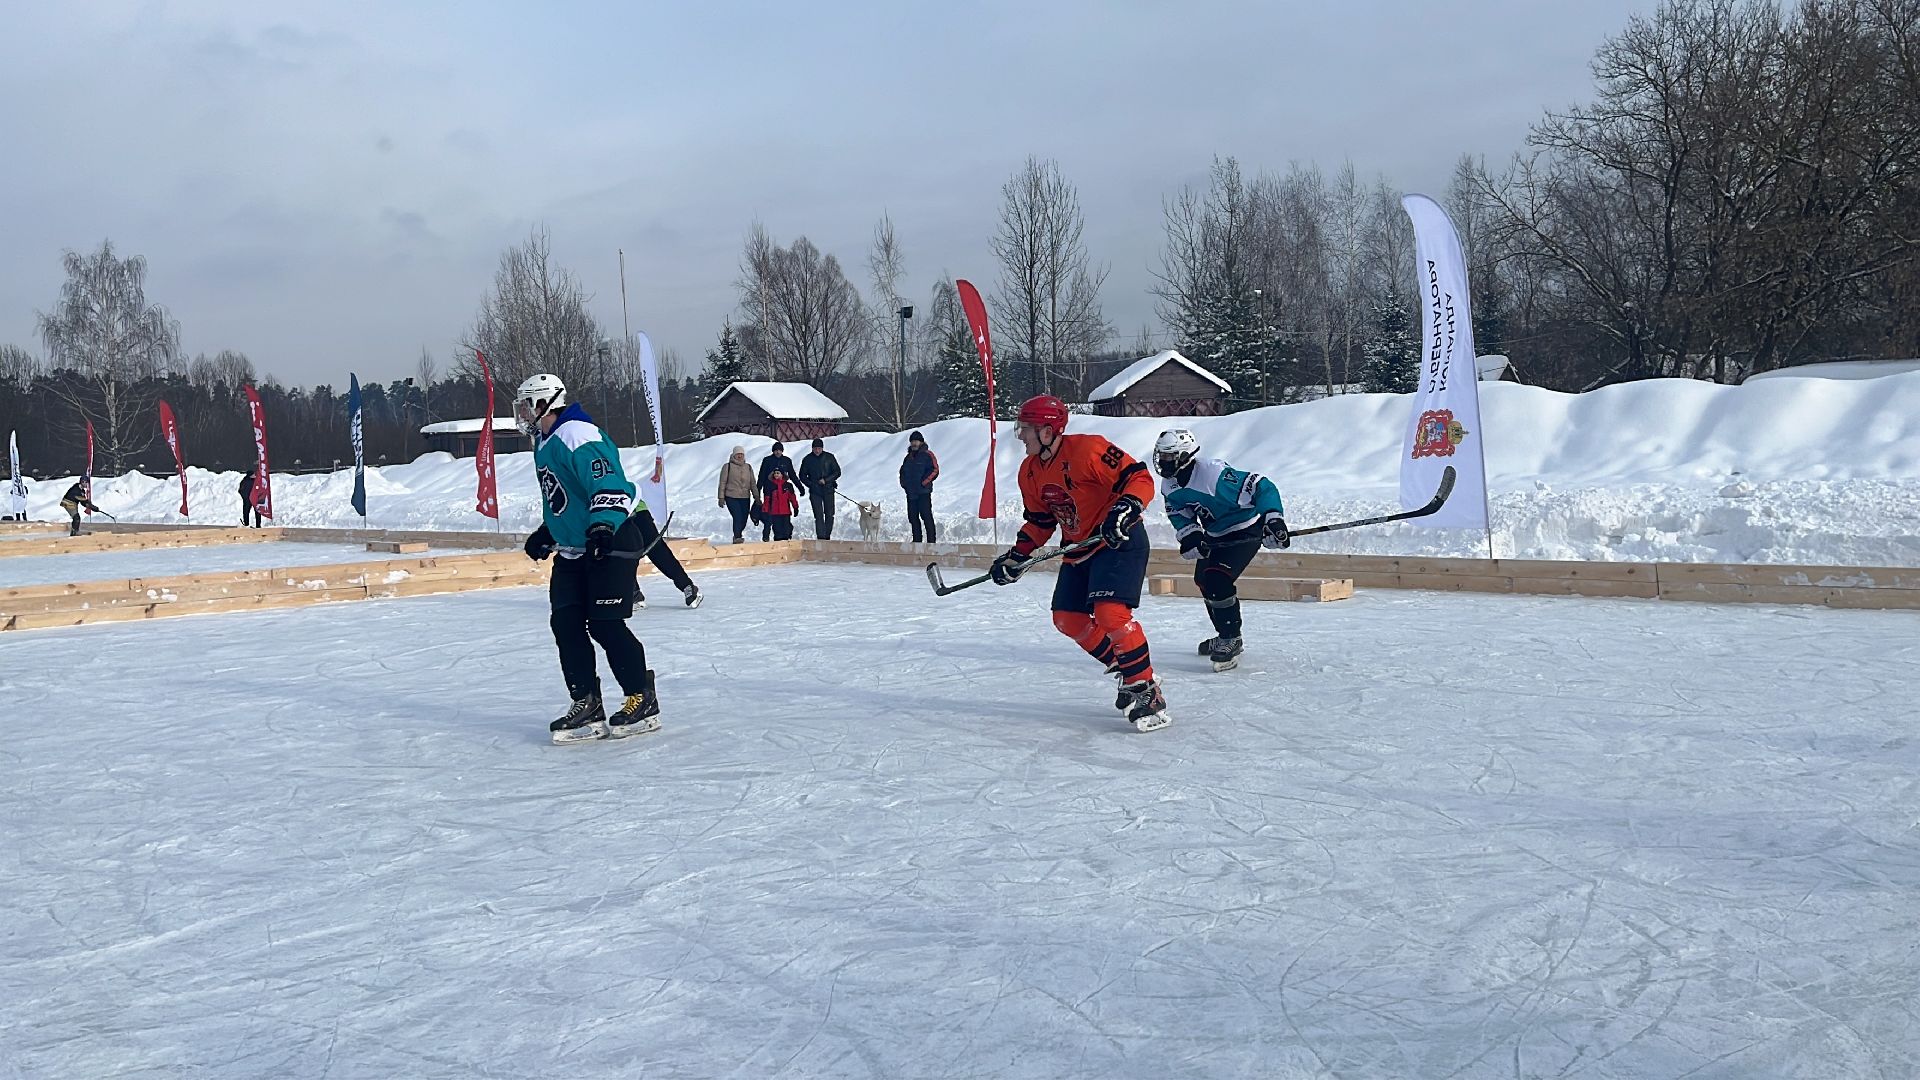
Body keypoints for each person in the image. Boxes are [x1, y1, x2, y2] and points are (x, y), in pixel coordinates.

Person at [988, 396, 1170, 732]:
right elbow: (1041, 522)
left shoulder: (1089, 450)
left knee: (1110, 614)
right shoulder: (1029, 472)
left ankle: (1146, 689)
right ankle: (1127, 667)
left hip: (1118, 540)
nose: (1020, 435)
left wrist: (1126, 507)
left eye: (1025, 429)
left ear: (1047, 431)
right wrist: (1017, 556)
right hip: (1079, 547)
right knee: (1067, 619)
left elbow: (1139, 477)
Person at [514, 372, 662, 745]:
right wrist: (550, 532)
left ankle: (641, 697)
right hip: (574, 549)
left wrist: (601, 526)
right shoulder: (545, 441)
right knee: (565, 623)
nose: (522, 414)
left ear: (544, 403)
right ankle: (587, 703)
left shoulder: (577, 434)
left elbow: (607, 484)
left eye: (526, 405)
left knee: (604, 624)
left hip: (610, 539)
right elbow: (566, 497)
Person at [1152, 428, 1290, 672]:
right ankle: (1225, 634)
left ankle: (1231, 637)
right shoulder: (1169, 484)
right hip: (1216, 533)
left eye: (1168, 457)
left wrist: (1273, 519)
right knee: (1203, 580)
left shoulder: (1213, 475)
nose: (1163, 462)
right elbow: (1178, 512)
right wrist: (1191, 535)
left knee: (1218, 579)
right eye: (1161, 456)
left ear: (1184, 456)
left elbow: (1261, 485)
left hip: (1245, 528)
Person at [898, 430, 939, 543]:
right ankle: (917, 541)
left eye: (916, 441)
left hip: (923, 492)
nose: (914, 443)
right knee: (913, 517)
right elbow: (902, 472)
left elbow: (935, 470)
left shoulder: (928, 455)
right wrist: (904, 484)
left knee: (926, 516)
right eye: (912, 441)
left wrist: (924, 482)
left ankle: (931, 542)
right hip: (911, 493)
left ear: (921, 442)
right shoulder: (908, 457)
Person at [757, 442, 804, 540]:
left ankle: (785, 536)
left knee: (783, 519)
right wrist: (757, 491)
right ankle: (766, 537)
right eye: (776, 450)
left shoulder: (786, 460)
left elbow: (792, 475)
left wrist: (800, 487)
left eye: (779, 450)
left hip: (782, 491)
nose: (778, 452)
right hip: (770, 491)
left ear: (782, 451)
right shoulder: (767, 460)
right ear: (773, 451)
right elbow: (761, 476)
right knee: (769, 517)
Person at [798, 437, 842, 540]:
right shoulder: (807, 459)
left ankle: (827, 536)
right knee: (818, 515)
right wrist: (811, 484)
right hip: (815, 491)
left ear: (822, 448)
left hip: (828, 489)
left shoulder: (829, 457)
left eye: (819, 448)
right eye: (815, 448)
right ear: (812, 448)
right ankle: (821, 537)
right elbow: (802, 476)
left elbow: (837, 472)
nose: (817, 450)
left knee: (829, 514)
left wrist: (826, 480)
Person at [716, 445, 756, 544]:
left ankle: (738, 533)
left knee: (744, 518)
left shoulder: (748, 467)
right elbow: (722, 482)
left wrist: (757, 496)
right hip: (731, 496)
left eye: (741, 454)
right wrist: (721, 497)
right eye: (738, 454)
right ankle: (737, 537)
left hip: (745, 496)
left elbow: (752, 483)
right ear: (734, 455)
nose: (740, 456)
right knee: (737, 516)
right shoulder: (728, 466)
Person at [760, 469, 799, 541]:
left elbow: (792, 497)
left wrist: (795, 507)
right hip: (775, 512)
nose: (776, 475)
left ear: (782, 474)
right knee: (777, 530)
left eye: (778, 473)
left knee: (786, 528)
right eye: (775, 473)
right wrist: (765, 510)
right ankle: (778, 542)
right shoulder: (770, 485)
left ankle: (787, 539)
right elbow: (767, 499)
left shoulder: (788, 485)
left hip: (785, 511)